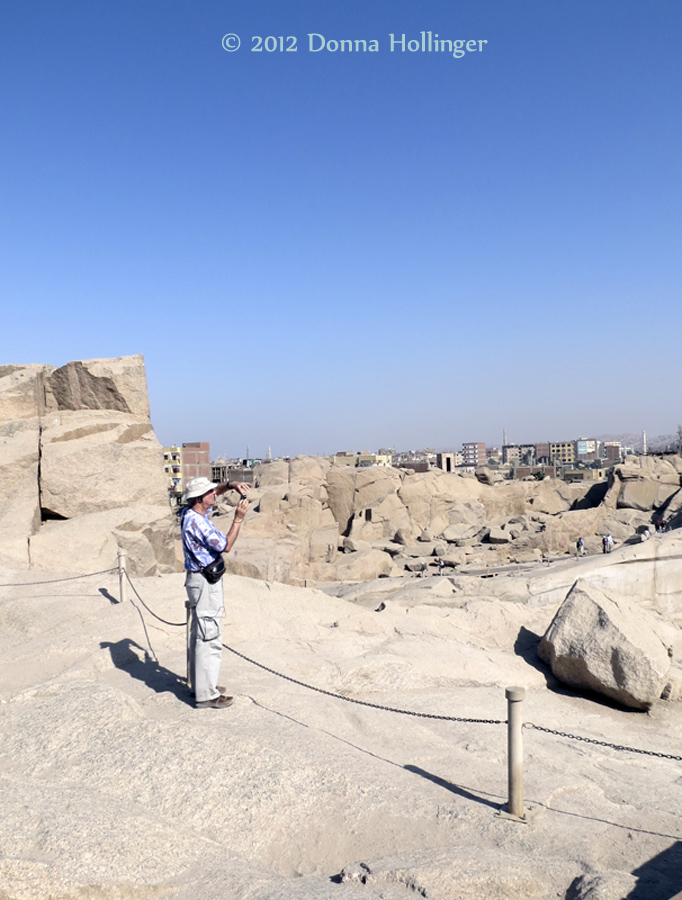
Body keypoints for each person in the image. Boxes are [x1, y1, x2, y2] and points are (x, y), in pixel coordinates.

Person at [181, 476, 250, 709]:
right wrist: (238, 519)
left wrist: (229, 485)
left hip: (198, 580)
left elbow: (215, 493)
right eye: (210, 493)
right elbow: (225, 546)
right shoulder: (198, 522)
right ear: (200, 498)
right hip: (204, 584)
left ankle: (201, 686)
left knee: (199, 633)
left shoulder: (191, 514)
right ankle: (206, 695)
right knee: (208, 635)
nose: (215, 494)